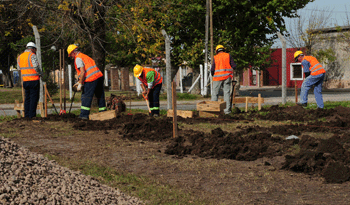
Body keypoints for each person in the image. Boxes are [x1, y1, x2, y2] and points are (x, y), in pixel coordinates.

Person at [67, 44, 107, 119]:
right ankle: (103, 112)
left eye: (70, 55)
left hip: (91, 79)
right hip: (99, 76)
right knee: (100, 95)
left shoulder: (78, 58)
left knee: (86, 97)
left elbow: (82, 72)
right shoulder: (84, 56)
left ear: (73, 52)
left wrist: (81, 84)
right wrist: (79, 81)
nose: (71, 57)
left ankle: (84, 115)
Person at [17, 42, 42, 118]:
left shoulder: (20, 57)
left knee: (27, 98)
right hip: (34, 80)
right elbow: (36, 67)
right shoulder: (32, 55)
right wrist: (40, 73)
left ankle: (26, 115)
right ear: (32, 49)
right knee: (33, 98)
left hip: (25, 81)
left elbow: (19, 68)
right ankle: (32, 115)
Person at [211, 45, 236, 114]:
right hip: (227, 77)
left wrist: (212, 74)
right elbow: (234, 66)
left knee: (215, 94)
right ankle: (227, 111)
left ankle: (214, 111)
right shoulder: (228, 56)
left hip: (217, 78)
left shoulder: (215, 57)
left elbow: (212, 69)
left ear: (216, 51)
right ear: (223, 49)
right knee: (226, 93)